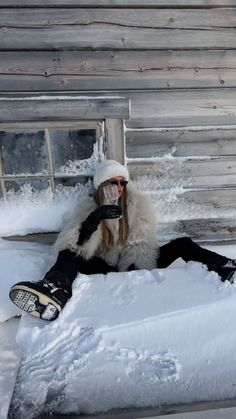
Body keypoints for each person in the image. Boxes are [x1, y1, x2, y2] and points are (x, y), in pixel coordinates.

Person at [9, 160, 236, 321]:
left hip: (136, 263)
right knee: (68, 253)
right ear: (101, 185)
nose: (118, 188)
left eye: (122, 183)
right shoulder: (89, 207)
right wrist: (95, 219)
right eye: (112, 182)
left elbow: (142, 244)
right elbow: (75, 245)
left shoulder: (138, 205)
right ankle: (54, 290)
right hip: (103, 265)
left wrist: (136, 269)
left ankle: (226, 267)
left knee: (183, 244)